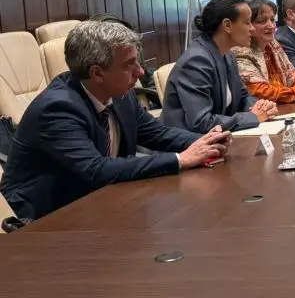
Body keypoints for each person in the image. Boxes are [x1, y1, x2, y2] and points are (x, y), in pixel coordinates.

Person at [0, 21, 230, 221]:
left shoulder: (119, 93)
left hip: (100, 202)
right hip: (46, 218)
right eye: (129, 64)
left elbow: (157, 134)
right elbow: (96, 170)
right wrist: (180, 159)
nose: (140, 72)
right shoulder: (57, 109)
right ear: (97, 73)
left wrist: (206, 141)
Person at [162, 0, 278, 133]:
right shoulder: (197, 61)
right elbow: (202, 122)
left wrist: (261, 107)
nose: (252, 29)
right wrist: (253, 117)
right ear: (227, 25)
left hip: (220, 137)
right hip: (188, 141)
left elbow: (243, 97)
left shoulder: (228, 55)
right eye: (247, 23)